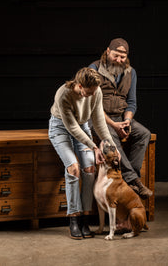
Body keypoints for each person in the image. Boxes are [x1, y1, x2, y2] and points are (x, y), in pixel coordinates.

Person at [48, 67, 116, 240]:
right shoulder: (64, 94)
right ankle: (73, 218)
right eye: (89, 92)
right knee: (74, 169)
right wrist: (94, 146)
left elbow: (99, 120)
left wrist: (110, 145)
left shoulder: (96, 90)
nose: (93, 95)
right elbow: (71, 128)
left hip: (83, 127)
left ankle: (85, 218)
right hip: (61, 129)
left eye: (95, 92)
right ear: (79, 85)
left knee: (89, 169)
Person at [89, 37, 152, 199]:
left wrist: (127, 121)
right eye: (115, 55)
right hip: (98, 118)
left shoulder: (131, 72)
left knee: (144, 133)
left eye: (122, 57)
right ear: (108, 51)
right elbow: (92, 105)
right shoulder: (94, 69)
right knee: (110, 135)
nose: (118, 60)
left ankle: (130, 180)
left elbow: (131, 102)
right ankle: (134, 181)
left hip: (120, 117)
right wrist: (114, 125)